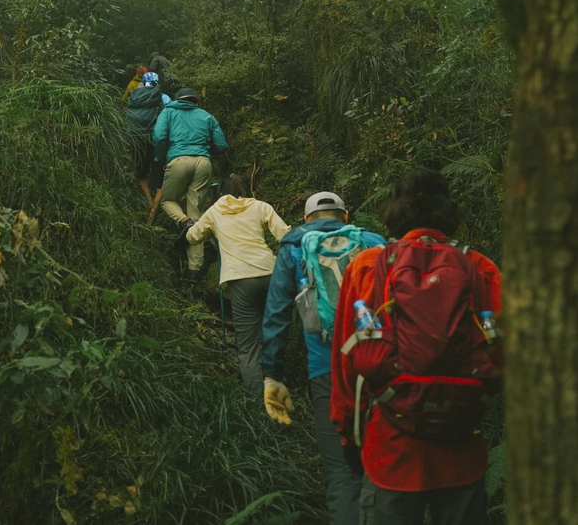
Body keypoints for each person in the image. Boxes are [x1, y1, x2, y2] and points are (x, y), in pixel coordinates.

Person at [331, 168, 502, 525]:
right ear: (449, 211)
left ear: (396, 209)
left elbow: (347, 362)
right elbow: (502, 352)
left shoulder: (367, 266)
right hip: (462, 449)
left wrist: (348, 433)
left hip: (390, 449)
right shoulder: (481, 268)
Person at [262, 192, 376, 525]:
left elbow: (277, 314)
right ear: (346, 215)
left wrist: (272, 375)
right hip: (378, 366)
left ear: (305, 220)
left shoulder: (294, 248)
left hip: (326, 372)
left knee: (342, 471)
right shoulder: (372, 242)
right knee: (382, 464)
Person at [185, 173, 290, 395]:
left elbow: (193, 237)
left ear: (221, 192)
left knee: (249, 345)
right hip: (271, 272)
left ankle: (257, 404)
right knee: (271, 333)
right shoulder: (261, 206)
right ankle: (279, 388)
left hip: (240, 278)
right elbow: (285, 235)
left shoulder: (215, 211)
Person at [153, 87, 228, 281]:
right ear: (195, 101)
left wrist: (160, 159)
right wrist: (204, 150)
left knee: (168, 200)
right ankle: (194, 270)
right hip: (203, 163)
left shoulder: (168, 111)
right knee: (196, 212)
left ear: (178, 100)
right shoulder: (206, 115)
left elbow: (159, 137)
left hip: (177, 161)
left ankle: (184, 223)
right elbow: (221, 145)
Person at [126, 72, 171, 222]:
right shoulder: (163, 98)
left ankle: (149, 200)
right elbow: (169, 117)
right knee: (159, 171)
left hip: (137, 139)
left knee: (141, 172)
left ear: (143, 83)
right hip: (155, 139)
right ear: (158, 84)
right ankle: (154, 213)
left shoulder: (134, 96)